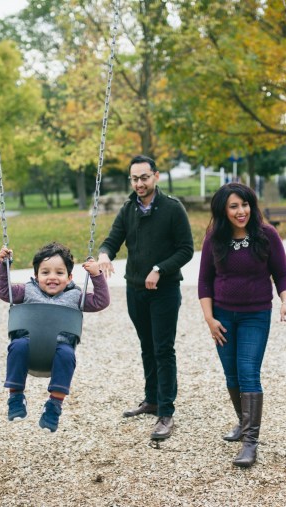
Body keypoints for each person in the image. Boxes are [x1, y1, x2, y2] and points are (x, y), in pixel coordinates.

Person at [197, 182, 286, 468]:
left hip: (255, 315)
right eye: (234, 206)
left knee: (248, 372)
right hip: (223, 317)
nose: (242, 211)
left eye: (245, 204)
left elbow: (283, 275)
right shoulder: (214, 238)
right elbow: (204, 281)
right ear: (223, 211)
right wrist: (209, 318)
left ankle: (250, 442)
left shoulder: (266, 235)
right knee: (231, 376)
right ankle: (243, 422)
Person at [97, 155, 194, 441]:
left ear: (156, 177)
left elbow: (186, 249)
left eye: (144, 178)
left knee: (163, 349)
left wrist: (159, 269)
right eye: (134, 179)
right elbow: (112, 240)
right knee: (146, 346)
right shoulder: (128, 208)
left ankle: (166, 412)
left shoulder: (173, 208)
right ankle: (151, 399)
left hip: (164, 291)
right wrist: (104, 254)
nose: (139, 183)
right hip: (135, 290)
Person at [0, 242, 109, 432]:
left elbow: (100, 301)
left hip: (60, 348)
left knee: (67, 355)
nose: (52, 277)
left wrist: (96, 275)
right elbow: (3, 291)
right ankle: (15, 397)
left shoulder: (75, 295)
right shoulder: (26, 290)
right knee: (17, 346)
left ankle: (54, 405)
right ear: (36, 275)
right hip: (29, 345)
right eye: (45, 272)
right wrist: (2, 264)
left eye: (59, 272)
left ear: (70, 276)